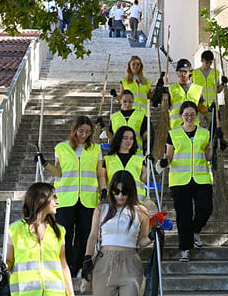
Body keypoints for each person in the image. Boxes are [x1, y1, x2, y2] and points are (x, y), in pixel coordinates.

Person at [36, 116, 105, 277]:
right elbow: (59, 172)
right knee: (65, 234)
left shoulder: (96, 149)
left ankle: (79, 266)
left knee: (84, 233)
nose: (84, 135)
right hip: (65, 198)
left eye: (87, 132)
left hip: (88, 199)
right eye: (81, 131)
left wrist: (104, 191)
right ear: (74, 130)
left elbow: (100, 173)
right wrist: (44, 164)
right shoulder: (61, 147)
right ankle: (65, 266)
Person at [158, 101, 213, 262]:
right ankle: (185, 248)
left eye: (192, 114)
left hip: (201, 177)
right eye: (186, 114)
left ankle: (195, 230)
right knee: (184, 215)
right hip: (179, 180)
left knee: (205, 208)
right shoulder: (173, 133)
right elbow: (169, 154)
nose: (189, 117)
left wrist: (212, 149)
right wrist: (164, 162)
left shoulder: (205, 133)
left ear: (197, 115)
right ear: (181, 115)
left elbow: (208, 156)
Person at [104, 126, 146, 202]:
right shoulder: (108, 159)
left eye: (131, 138)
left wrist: (150, 165)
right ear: (119, 139)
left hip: (135, 201)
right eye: (125, 138)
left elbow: (144, 179)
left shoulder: (140, 159)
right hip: (114, 200)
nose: (129, 141)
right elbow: (103, 179)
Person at [192, 49, 228, 128]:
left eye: (210, 63)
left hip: (212, 108)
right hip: (199, 107)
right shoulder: (194, 74)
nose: (208, 64)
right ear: (202, 60)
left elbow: (217, 90)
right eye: (206, 62)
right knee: (198, 131)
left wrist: (222, 84)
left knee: (212, 132)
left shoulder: (216, 73)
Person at [167, 58, 208, 129]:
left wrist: (210, 109)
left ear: (190, 72)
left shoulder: (198, 89)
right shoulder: (171, 89)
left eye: (185, 71)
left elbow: (200, 108)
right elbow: (165, 107)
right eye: (180, 71)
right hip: (176, 127)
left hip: (193, 126)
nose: (182, 74)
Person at [108, 90, 148, 155]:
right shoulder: (114, 117)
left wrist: (149, 132)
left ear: (133, 101)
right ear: (120, 100)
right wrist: (104, 128)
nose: (127, 104)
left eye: (130, 101)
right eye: (125, 101)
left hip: (136, 152)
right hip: (118, 152)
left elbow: (144, 136)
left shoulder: (141, 115)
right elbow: (111, 136)